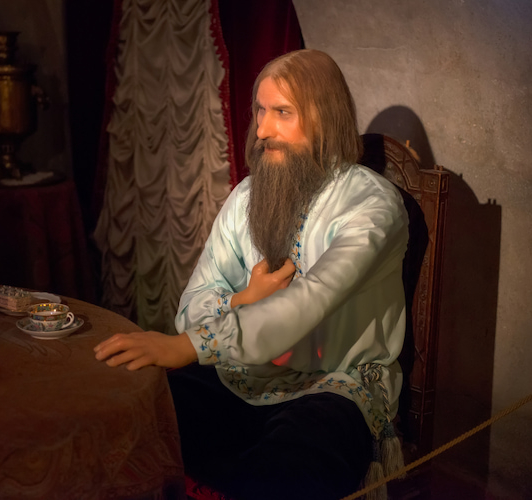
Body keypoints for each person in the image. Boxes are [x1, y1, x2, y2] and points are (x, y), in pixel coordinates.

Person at [94, 49, 408, 500]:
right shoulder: (246, 196)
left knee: (281, 474)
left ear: (325, 116)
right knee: (136, 418)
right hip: (242, 374)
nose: (262, 130)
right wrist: (241, 300)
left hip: (334, 386)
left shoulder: (372, 206)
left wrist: (189, 346)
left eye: (282, 112)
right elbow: (195, 301)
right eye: (260, 111)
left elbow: (310, 300)